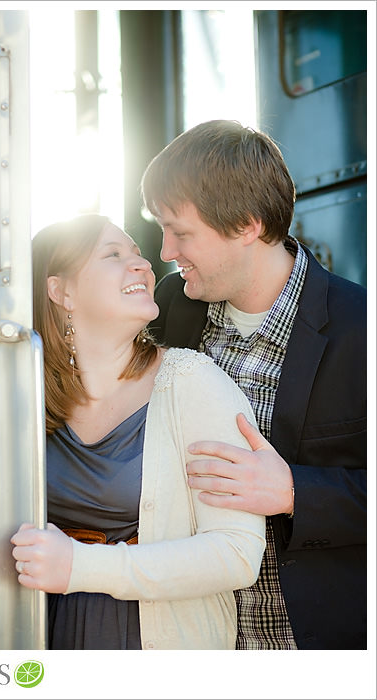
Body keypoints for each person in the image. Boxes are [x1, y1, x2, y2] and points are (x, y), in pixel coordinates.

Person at [140, 119, 366, 650]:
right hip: (186, 638)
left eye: (181, 231)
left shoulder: (363, 328)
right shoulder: (168, 308)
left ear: (246, 224)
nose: (167, 250)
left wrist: (293, 492)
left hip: (309, 644)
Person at [10, 214, 265, 650]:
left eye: (138, 254)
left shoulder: (191, 382)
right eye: (113, 255)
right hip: (54, 637)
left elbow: (237, 553)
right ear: (61, 290)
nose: (143, 265)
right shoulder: (26, 396)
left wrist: (79, 565)